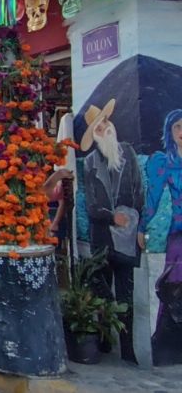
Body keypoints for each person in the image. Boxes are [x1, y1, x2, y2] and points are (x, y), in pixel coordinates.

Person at [80, 100, 142, 363]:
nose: (104, 127)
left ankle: (128, 351)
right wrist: (111, 217)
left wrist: (142, 227)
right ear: (94, 135)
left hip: (128, 239)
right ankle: (105, 343)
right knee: (103, 292)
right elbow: (92, 205)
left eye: (106, 122)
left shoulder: (128, 154)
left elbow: (140, 193)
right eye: (98, 126)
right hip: (103, 239)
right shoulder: (90, 163)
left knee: (126, 296)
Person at [139, 109, 182, 366]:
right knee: (174, 285)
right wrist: (141, 227)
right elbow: (153, 199)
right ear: (170, 131)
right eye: (178, 127)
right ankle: (167, 343)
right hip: (178, 233)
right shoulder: (163, 162)